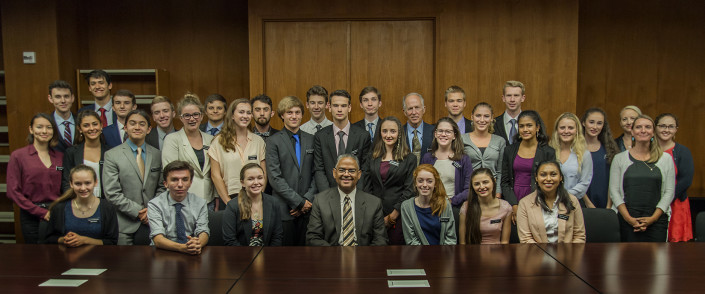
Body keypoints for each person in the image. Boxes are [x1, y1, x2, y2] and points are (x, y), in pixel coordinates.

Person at [103, 109, 166, 245]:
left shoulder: (157, 155)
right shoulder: (112, 155)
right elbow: (112, 193)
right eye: (132, 123)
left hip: (153, 222)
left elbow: (162, 186)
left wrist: (151, 210)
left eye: (142, 124)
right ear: (125, 127)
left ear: (149, 129)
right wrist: (139, 212)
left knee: (155, 263)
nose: (137, 127)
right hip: (125, 225)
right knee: (126, 264)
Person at [609, 115, 675, 242]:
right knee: (627, 260)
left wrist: (652, 219)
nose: (643, 130)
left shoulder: (666, 159)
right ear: (632, 132)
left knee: (656, 262)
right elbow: (614, 191)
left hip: (657, 222)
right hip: (626, 221)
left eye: (648, 127)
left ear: (653, 132)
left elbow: (669, 192)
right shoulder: (619, 159)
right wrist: (629, 219)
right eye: (638, 127)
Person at [266, 96, 317, 246]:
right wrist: (298, 202)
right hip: (285, 210)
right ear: (282, 115)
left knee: (308, 256)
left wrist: (306, 201)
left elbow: (317, 173)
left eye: (297, 112)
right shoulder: (273, 141)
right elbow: (275, 178)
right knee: (286, 257)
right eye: (289, 112)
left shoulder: (312, 139)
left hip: (309, 209)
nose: (294, 116)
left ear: (302, 114)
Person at [306, 154, 388, 246]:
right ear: (334, 173)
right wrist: (335, 255)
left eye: (352, 171)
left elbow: (380, 240)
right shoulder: (320, 201)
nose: (346, 174)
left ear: (359, 174)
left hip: (363, 256)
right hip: (331, 256)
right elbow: (312, 238)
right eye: (342, 170)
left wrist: (363, 257)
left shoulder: (374, 203)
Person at [7, 113, 63, 243]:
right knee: (35, 257)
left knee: (59, 256)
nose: (44, 131)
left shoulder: (61, 157)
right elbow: (12, 192)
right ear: (31, 129)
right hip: (31, 214)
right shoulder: (19, 156)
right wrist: (40, 212)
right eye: (39, 127)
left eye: (49, 127)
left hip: (56, 214)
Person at [365, 116, 416, 245]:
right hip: (373, 214)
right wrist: (373, 213)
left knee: (395, 254)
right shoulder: (372, 157)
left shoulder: (409, 159)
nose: (388, 135)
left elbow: (409, 190)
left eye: (393, 131)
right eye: (385, 131)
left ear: (399, 133)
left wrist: (393, 215)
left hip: (398, 215)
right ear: (380, 132)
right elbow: (366, 185)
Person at [209, 98, 266, 210]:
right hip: (229, 198)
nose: (245, 116)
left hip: (254, 198)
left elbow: (264, 174)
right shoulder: (218, 142)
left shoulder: (258, 141)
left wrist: (257, 198)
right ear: (232, 116)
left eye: (248, 113)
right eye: (241, 112)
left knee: (256, 227)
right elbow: (215, 176)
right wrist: (228, 203)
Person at [162, 93, 216, 210]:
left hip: (208, 200)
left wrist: (216, 197)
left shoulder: (211, 140)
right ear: (181, 118)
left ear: (201, 116)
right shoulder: (172, 139)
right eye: (187, 115)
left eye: (196, 114)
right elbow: (169, 172)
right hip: (183, 200)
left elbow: (216, 172)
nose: (192, 119)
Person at [42, 165, 119, 245]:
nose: (83, 188)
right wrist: (64, 239)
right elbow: (49, 239)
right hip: (67, 256)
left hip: (98, 256)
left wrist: (84, 240)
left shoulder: (108, 208)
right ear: (71, 184)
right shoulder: (59, 208)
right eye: (78, 184)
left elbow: (112, 242)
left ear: (96, 182)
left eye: (87, 183)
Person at [501, 110, 555, 221]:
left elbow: (551, 182)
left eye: (529, 125)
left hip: (539, 201)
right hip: (513, 200)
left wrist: (534, 204)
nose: (525, 129)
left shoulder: (548, 152)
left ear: (537, 127)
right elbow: (505, 182)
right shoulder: (509, 150)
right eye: (521, 126)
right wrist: (514, 205)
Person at [313, 89, 371, 192]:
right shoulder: (320, 136)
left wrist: (356, 194)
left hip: (355, 194)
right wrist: (327, 196)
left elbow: (365, 170)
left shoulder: (363, 136)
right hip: (328, 195)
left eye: (343, 106)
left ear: (349, 108)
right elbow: (319, 170)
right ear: (329, 107)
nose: (339, 110)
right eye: (335, 106)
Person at [420, 117, 472, 231]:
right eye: (440, 131)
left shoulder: (463, 159)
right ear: (435, 133)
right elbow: (419, 184)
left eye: (448, 131)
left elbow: (468, 189)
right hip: (430, 209)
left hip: (454, 209)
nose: (443, 134)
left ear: (454, 135)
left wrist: (450, 201)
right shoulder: (427, 158)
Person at [148, 160, 209, 254]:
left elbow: (203, 231)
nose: (180, 184)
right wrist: (182, 248)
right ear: (165, 184)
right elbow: (158, 239)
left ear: (190, 182)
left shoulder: (200, 203)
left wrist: (198, 244)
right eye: (174, 180)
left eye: (185, 179)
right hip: (163, 252)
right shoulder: (155, 205)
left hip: (191, 250)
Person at [517, 160, 586, 243]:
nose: (548, 179)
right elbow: (526, 239)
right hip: (536, 254)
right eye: (543, 175)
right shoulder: (525, 203)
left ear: (560, 177)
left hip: (568, 254)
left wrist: (568, 255)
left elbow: (579, 236)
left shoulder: (572, 201)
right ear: (536, 178)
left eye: (553, 174)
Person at [223, 163, 283, 246]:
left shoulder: (274, 203)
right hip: (241, 256)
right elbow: (229, 240)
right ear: (242, 183)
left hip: (268, 255)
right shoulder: (232, 206)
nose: (256, 182)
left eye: (260, 178)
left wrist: (269, 256)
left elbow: (277, 236)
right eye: (250, 179)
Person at [655, 113, 693, 242]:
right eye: (662, 126)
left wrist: (665, 200)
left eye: (671, 126)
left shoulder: (683, 151)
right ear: (655, 127)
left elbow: (686, 180)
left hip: (676, 204)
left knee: (675, 248)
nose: (666, 130)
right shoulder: (647, 150)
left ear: (676, 129)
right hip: (651, 203)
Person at [400, 164, 457, 245]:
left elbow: (450, 238)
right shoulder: (406, 207)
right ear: (415, 183)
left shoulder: (445, 204)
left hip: (444, 255)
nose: (424, 185)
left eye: (429, 181)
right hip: (418, 255)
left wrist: (443, 256)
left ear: (435, 184)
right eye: (420, 181)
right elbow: (411, 240)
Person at [549, 113, 594, 207]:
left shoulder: (585, 154)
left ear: (577, 130)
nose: (566, 131)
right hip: (549, 203)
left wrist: (563, 196)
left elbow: (584, 183)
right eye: (562, 128)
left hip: (574, 203)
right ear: (557, 130)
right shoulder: (549, 151)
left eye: (570, 128)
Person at [461, 102, 506, 198]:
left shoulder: (500, 141)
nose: (482, 120)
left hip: (492, 192)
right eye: (478, 116)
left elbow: (500, 171)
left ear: (491, 118)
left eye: (486, 116)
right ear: (472, 117)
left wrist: (497, 194)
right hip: (469, 192)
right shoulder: (462, 139)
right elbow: (459, 170)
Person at [61, 110, 108, 197]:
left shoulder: (110, 152)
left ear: (101, 126)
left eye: (95, 124)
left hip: (106, 204)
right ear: (80, 129)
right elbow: (66, 183)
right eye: (86, 125)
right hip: (79, 202)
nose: (91, 128)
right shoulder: (71, 153)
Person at [459, 168, 512, 244]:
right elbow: (462, 244)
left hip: (498, 253)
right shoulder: (466, 207)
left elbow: (505, 242)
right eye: (477, 184)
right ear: (472, 186)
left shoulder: (505, 208)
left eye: (485, 182)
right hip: (473, 253)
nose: (482, 187)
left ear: (494, 181)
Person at [581, 108, 620, 209]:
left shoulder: (609, 148)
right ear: (584, 123)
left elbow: (614, 180)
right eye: (591, 122)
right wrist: (588, 203)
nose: (595, 127)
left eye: (599, 123)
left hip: (606, 204)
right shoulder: (575, 149)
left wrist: (609, 205)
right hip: (581, 203)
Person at [402, 93, 435, 164]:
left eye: (417, 108)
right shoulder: (399, 133)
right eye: (410, 108)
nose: (414, 112)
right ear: (404, 112)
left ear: (423, 110)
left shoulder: (434, 132)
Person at [47, 80, 76, 153]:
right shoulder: (46, 124)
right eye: (58, 97)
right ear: (50, 98)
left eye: (66, 96)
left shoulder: (81, 121)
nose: (63, 101)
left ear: (72, 98)